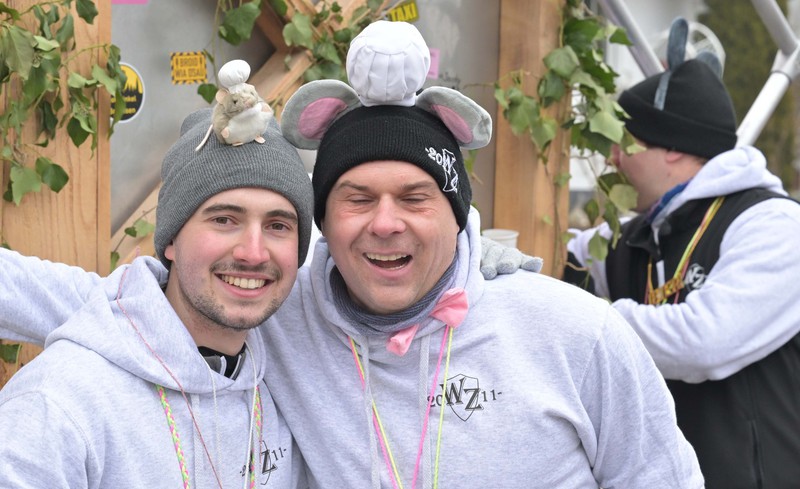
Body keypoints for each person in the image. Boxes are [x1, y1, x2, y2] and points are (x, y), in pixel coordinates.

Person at [0, 21, 701, 488]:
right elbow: (134, 309)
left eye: (416, 198)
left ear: (457, 216)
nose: (385, 224)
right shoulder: (279, 310)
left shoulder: (577, 334)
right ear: (326, 226)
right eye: (358, 198)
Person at [0, 108, 313, 487]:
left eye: (277, 225)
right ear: (171, 242)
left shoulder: (287, 382)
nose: (253, 253)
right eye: (223, 220)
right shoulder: (59, 406)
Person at [565, 21, 800, 489]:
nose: (611, 159)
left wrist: (584, 322)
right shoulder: (635, 234)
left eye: (625, 142)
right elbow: (555, 257)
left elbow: (705, 342)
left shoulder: (773, 224)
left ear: (672, 148)